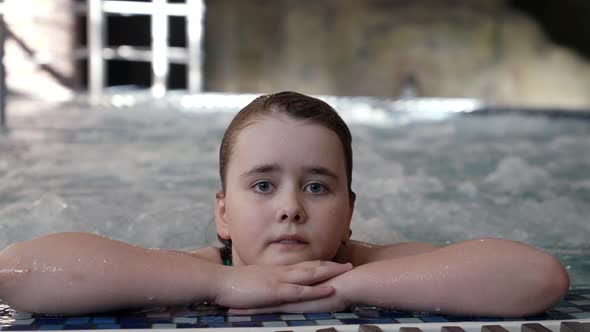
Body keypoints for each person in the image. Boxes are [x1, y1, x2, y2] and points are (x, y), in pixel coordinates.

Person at [0, 91, 569, 316]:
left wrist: (339, 286)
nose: (291, 208)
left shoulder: (366, 263)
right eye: (263, 185)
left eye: (318, 186)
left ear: (349, 210)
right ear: (223, 212)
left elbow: (537, 276)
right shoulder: (197, 271)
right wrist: (227, 286)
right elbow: (18, 270)